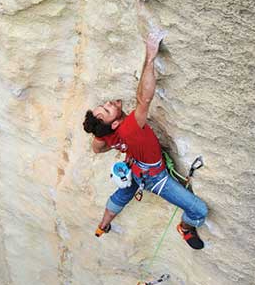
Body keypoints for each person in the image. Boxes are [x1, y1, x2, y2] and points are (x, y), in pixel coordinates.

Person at [82, 32, 208, 249]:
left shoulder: (105, 135)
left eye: (104, 105)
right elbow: (144, 98)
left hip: (134, 169)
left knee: (123, 194)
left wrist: (102, 136)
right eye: (106, 109)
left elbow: (97, 148)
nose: (109, 103)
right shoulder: (129, 127)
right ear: (113, 124)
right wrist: (150, 57)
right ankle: (186, 228)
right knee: (199, 210)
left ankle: (103, 226)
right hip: (154, 177)